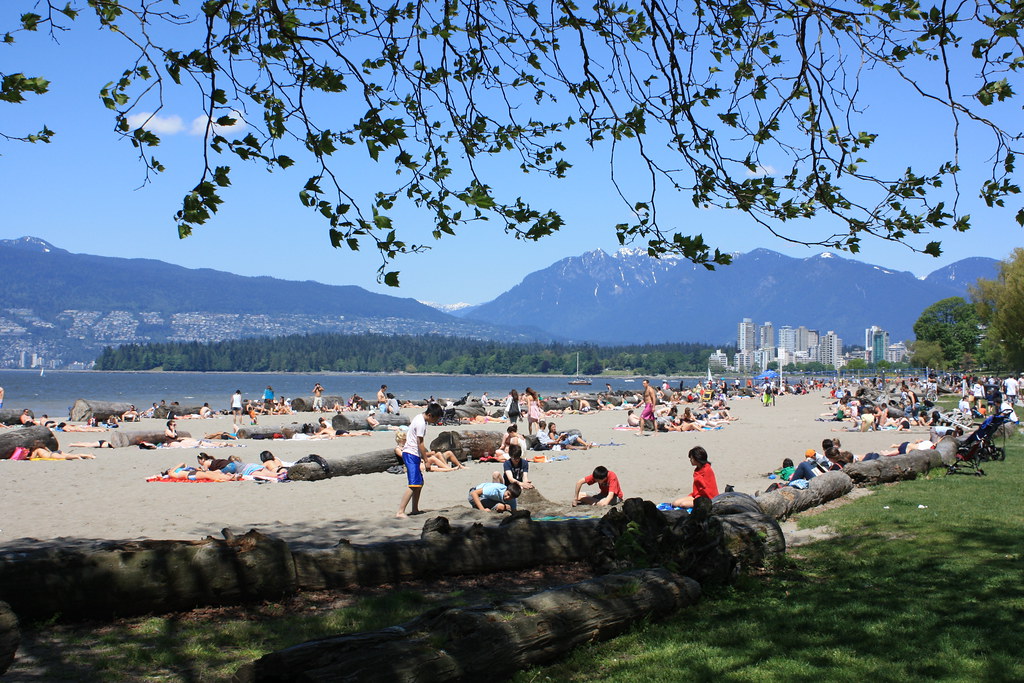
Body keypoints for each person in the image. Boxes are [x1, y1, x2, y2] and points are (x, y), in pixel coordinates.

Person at [396, 403, 443, 518]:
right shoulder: (421, 423)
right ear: (430, 415)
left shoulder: (419, 417)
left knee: (419, 483)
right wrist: (426, 460)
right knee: (413, 484)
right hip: (411, 454)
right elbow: (420, 443)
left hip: (413, 454)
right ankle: (400, 512)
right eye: (436, 419)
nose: (436, 421)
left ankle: (415, 509)